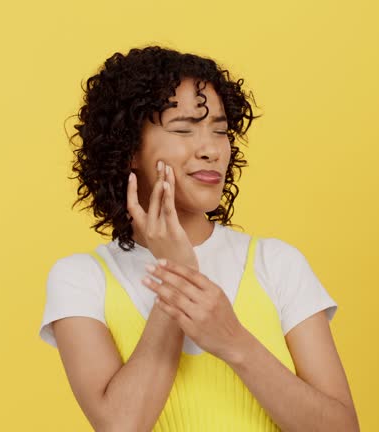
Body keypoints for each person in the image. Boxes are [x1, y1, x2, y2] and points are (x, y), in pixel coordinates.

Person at [38, 46, 359, 431]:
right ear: (128, 150)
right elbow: (121, 425)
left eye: (221, 131)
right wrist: (178, 274)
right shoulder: (80, 278)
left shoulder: (275, 262)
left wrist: (234, 341)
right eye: (183, 129)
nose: (211, 150)